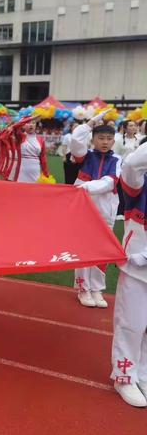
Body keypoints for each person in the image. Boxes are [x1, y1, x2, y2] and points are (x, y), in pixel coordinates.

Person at [71, 112, 121, 308]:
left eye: (109, 139)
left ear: (114, 141)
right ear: (92, 139)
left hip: (106, 209)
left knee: (101, 250)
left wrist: (81, 188)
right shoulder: (85, 156)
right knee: (83, 248)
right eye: (101, 138)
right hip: (84, 208)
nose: (105, 142)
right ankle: (83, 288)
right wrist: (90, 123)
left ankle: (97, 288)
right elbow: (76, 141)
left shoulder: (117, 159)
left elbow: (109, 183)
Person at [111, 138, 147, 407]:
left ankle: (143, 374)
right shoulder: (138, 184)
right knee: (132, 326)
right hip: (137, 269)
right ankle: (124, 376)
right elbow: (133, 163)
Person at [8, 118, 49, 183]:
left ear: (35, 125)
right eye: (28, 123)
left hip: (35, 171)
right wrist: (26, 119)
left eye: (33, 123)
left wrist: (46, 174)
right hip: (21, 171)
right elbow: (15, 127)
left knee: (35, 192)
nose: (31, 125)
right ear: (23, 125)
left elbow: (43, 158)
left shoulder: (40, 139)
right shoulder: (19, 136)